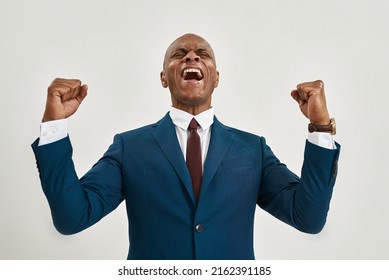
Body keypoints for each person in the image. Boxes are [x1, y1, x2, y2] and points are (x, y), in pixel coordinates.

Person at [31, 33, 340, 260]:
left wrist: (321, 127)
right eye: (180, 53)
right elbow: (72, 218)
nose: (191, 57)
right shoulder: (130, 148)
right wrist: (54, 126)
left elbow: (308, 218)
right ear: (164, 77)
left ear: (216, 78)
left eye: (202, 53)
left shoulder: (252, 150)